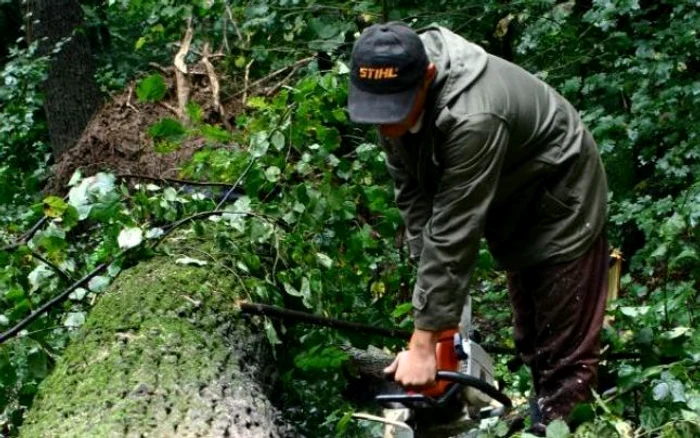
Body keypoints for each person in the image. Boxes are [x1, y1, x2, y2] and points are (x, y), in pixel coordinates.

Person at [347, 22, 609, 428]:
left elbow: (454, 229)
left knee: (562, 351)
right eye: (374, 111)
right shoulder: (395, 96)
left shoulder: (473, 116)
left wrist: (423, 342)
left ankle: (570, 420)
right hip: (510, 199)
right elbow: (418, 207)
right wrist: (436, 321)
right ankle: (549, 412)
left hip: (561, 196)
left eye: (392, 111)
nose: (384, 126)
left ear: (428, 78)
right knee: (531, 337)